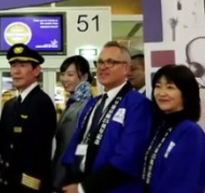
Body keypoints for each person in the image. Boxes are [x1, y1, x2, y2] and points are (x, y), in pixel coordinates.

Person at [62, 41, 153, 193]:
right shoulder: (93, 103)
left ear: (126, 69)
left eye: (111, 62)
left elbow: (128, 158)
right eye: (101, 62)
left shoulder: (138, 104)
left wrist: (83, 188)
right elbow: (75, 144)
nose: (103, 67)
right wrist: (71, 181)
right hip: (81, 183)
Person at [142, 64, 205, 193]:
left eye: (170, 87)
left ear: (186, 93)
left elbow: (186, 184)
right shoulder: (160, 127)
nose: (161, 93)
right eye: (158, 86)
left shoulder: (191, 133)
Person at [0, 43, 57, 193]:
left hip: (29, 186)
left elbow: (38, 153)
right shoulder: (10, 104)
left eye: (22, 65)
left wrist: (29, 186)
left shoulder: (41, 102)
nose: (16, 71)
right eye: (13, 66)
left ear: (36, 70)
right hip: (10, 181)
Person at [53, 56, 93, 190]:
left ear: (85, 76)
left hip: (71, 178)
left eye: (70, 74)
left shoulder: (86, 106)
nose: (64, 79)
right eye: (63, 74)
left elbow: (71, 146)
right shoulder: (73, 103)